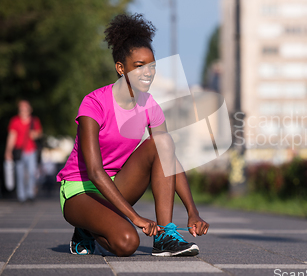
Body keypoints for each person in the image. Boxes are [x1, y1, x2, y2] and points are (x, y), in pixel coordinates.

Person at [57, 13, 209, 257]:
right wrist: (135, 218)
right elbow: (95, 172)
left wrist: (192, 210)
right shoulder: (94, 104)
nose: (148, 72)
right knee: (127, 243)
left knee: (162, 142)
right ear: (120, 68)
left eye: (152, 66)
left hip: (117, 185)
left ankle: (165, 235)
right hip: (81, 189)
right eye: (139, 66)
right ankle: (86, 225)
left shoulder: (150, 106)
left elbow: (168, 158)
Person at [5, 100, 42, 203]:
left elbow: (39, 133)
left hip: (31, 150)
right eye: (21, 108)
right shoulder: (15, 121)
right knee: (20, 174)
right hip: (19, 151)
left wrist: (35, 134)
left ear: (30, 109)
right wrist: (8, 151)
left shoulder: (34, 120)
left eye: (25, 108)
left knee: (31, 173)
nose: (23, 110)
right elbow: (11, 136)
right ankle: (21, 196)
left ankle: (30, 194)